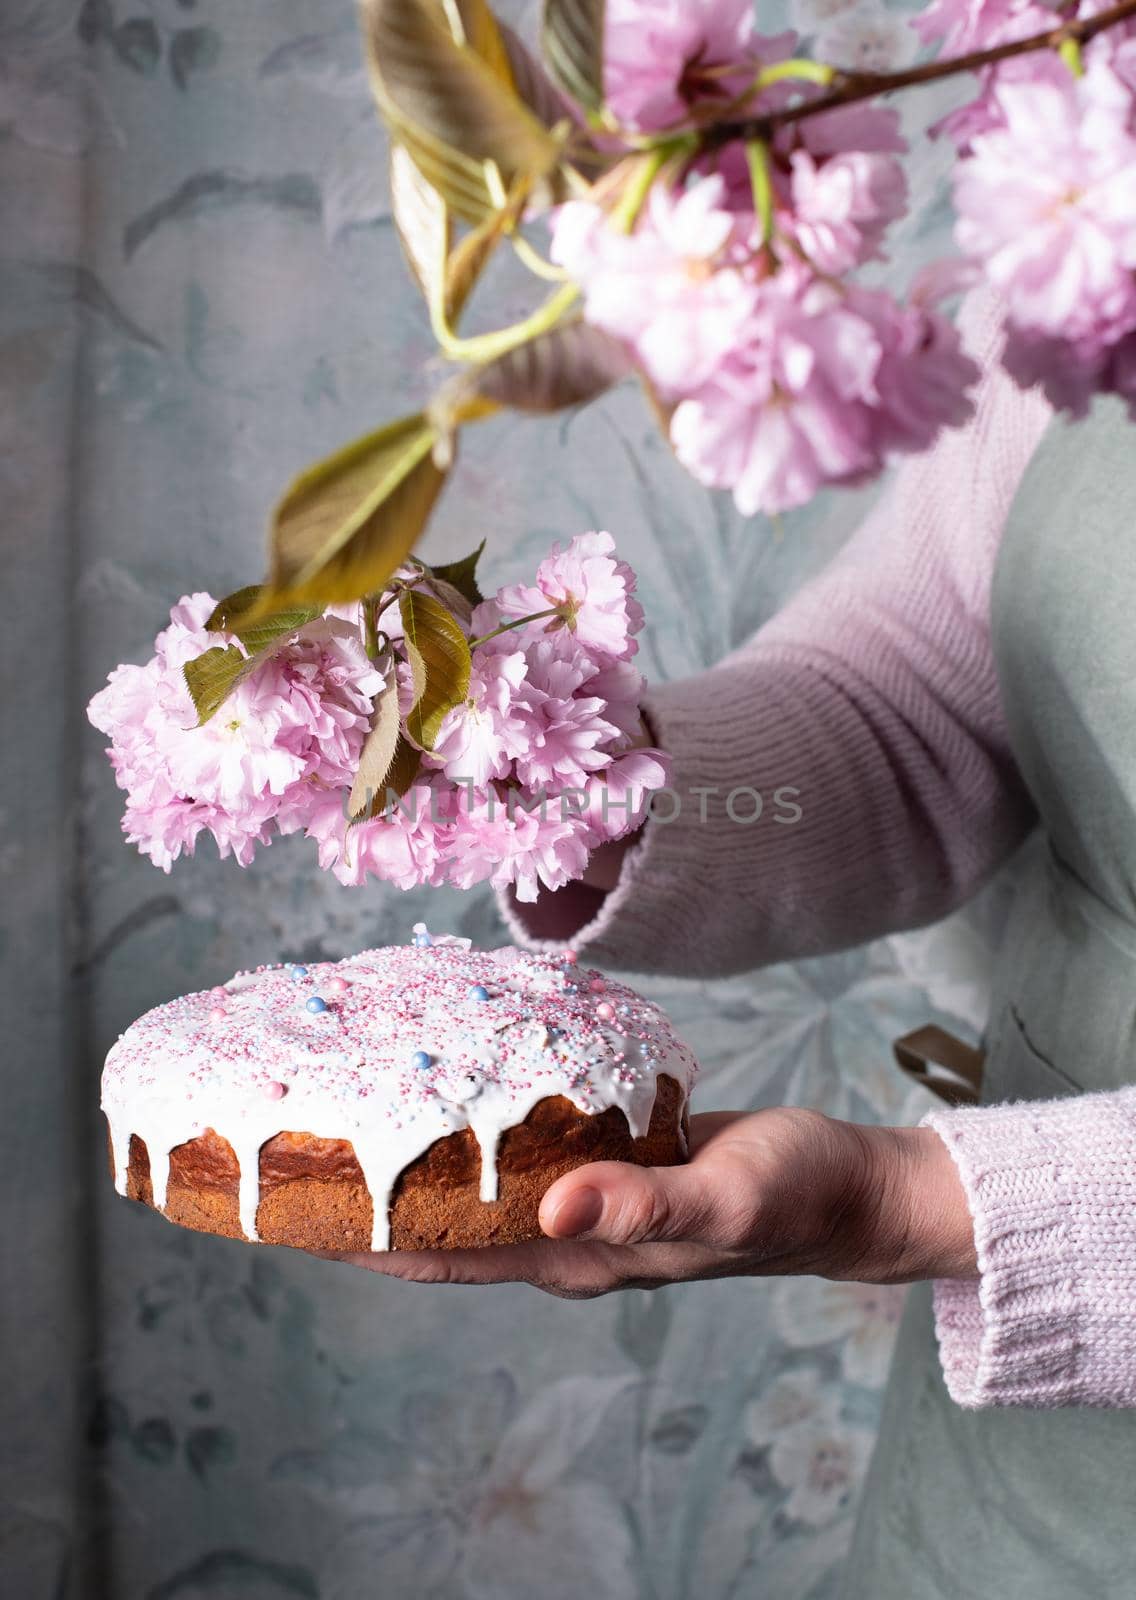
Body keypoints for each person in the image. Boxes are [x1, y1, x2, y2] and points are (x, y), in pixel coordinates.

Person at [328, 289, 1136, 1596]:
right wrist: (578, 783)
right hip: (1017, 1494)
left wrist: (912, 1204)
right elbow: (909, 708)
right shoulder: (1097, 176)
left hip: (999, 1242)